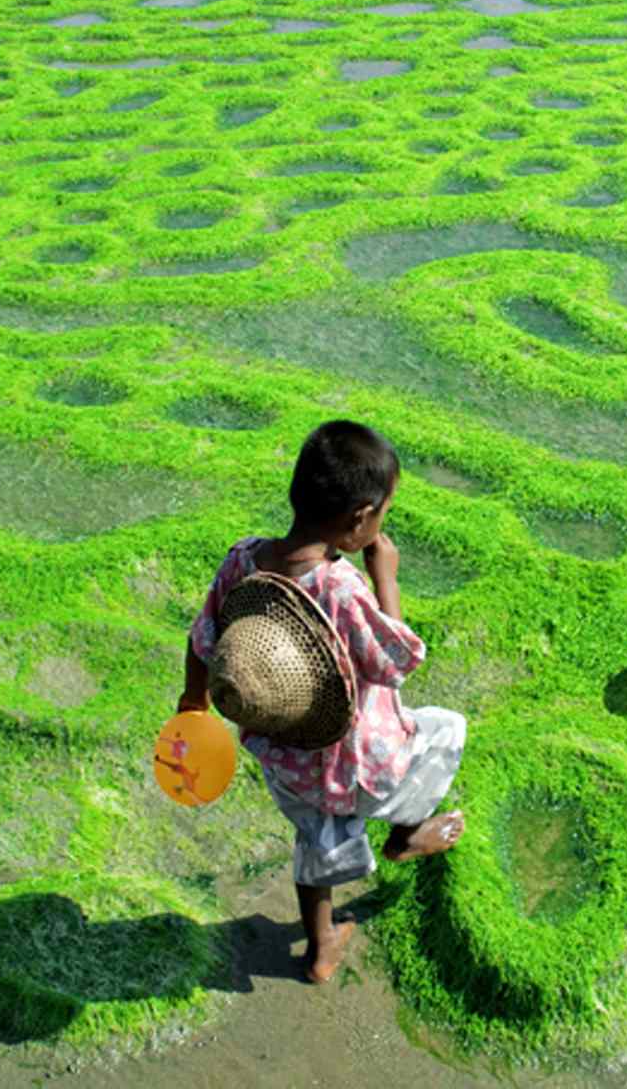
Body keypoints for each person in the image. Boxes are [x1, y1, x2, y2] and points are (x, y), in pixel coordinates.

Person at [179, 419, 465, 984]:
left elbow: (203, 638)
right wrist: (387, 579)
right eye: (383, 513)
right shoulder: (340, 587)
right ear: (361, 519)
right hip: (353, 762)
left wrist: (194, 704)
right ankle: (407, 833)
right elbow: (396, 662)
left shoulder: (244, 559)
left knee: (317, 845)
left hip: (286, 757)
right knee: (443, 731)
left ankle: (321, 950)